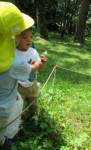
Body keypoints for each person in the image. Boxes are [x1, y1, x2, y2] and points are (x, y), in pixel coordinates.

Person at [0, 2, 47, 149]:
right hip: (3, 109)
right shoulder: (15, 62)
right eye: (20, 35)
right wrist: (40, 65)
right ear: (14, 37)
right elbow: (33, 68)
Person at [16, 27, 47, 125]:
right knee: (17, 105)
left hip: (32, 83)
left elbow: (39, 67)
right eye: (24, 37)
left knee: (34, 102)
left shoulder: (33, 52)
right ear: (16, 39)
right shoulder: (13, 52)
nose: (29, 40)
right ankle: (17, 120)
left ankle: (34, 116)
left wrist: (42, 64)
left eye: (31, 36)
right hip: (18, 85)